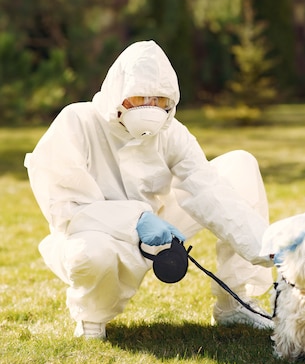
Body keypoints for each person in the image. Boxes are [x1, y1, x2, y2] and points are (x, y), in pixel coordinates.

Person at [25, 40, 274, 339]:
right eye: (140, 97)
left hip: (160, 221)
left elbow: (209, 190)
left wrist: (270, 247)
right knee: (91, 255)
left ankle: (235, 303)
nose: (150, 107)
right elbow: (65, 209)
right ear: (119, 93)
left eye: (158, 99)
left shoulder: (171, 132)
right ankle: (91, 320)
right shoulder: (78, 122)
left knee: (238, 166)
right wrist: (136, 220)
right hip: (95, 230)